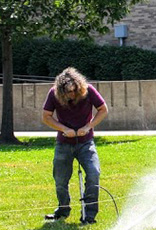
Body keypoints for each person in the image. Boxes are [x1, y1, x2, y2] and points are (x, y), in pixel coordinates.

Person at [40, 67, 109, 224]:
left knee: (93, 173)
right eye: (68, 92)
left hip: (86, 143)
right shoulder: (53, 93)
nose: (71, 95)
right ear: (61, 91)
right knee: (60, 179)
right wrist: (64, 129)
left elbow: (103, 110)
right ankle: (63, 210)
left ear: (79, 86)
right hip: (64, 143)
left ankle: (89, 214)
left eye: (74, 91)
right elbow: (46, 116)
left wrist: (88, 127)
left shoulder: (89, 90)